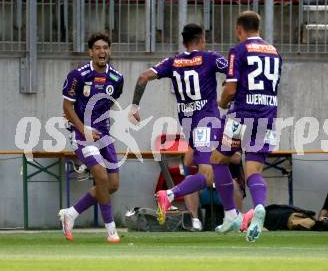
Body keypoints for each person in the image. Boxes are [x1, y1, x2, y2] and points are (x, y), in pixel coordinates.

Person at [129, 23, 230, 227]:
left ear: (183, 42)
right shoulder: (210, 57)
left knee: (212, 171)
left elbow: (143, 77)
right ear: (202, 40)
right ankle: (169, 194)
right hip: (206, 122)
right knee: (207, 174)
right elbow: (233, 72)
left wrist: (134, 106)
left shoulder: (173, 62)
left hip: (189, 125)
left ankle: (231, 216)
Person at [210, 10, 282, 242]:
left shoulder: (238, 51)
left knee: (217, 159)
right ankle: (259, 206)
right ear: (258, 27)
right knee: (254, 172)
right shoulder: (274, 52)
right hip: (266, 117)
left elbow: (231, 90)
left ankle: (231, 214)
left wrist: (221, 101)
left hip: (240, 116)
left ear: (239, 29)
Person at [59, 32, 124, 243]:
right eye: (97, 48)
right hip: (81, 135)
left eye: (105, 47)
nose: (102, 51)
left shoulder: (116, 78)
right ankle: (111, 231)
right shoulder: (77, 75)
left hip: (104, 135)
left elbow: (110, 101)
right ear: (90, 52)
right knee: (101, 177)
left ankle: (71, 213)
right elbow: (67, 106)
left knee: (112, 184)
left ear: (109, 51)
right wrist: (84, 128)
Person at [183, 150, 245, 231]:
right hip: (204, 184)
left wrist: (218, 153)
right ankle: (195, 221)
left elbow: (237, 158)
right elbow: (187, 162)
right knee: (189, 180)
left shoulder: (229, 139)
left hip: (226, 183)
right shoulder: (199, 140)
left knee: (232, 183)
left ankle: (238, 221)